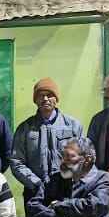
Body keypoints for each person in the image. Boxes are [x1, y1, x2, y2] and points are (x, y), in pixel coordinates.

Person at [9, 77, 84, 206]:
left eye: (49, 95)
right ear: (35, 100)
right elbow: (16, 161)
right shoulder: (25, 129)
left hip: (67, 192)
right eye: (40, 95)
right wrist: (36, 183)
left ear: (56, 99)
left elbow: (83, 157)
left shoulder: (73, 126)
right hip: (35, 193)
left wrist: (71, 180)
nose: (45, 99)